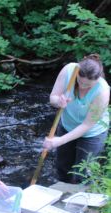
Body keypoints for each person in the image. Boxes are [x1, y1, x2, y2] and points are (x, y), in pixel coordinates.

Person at [43, 54, 110, 183]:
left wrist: (60, 140)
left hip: (92, 133)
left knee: (83, 174)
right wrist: (59, 101)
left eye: (88, 85)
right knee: (62, 168)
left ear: (98, 79)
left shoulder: (102, 91)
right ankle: (63, 197)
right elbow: (53, 97)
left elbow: (86, 125)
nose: (83, 86)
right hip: (67, 124)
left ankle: (82, 199)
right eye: (80, 81)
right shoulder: (69, 70)